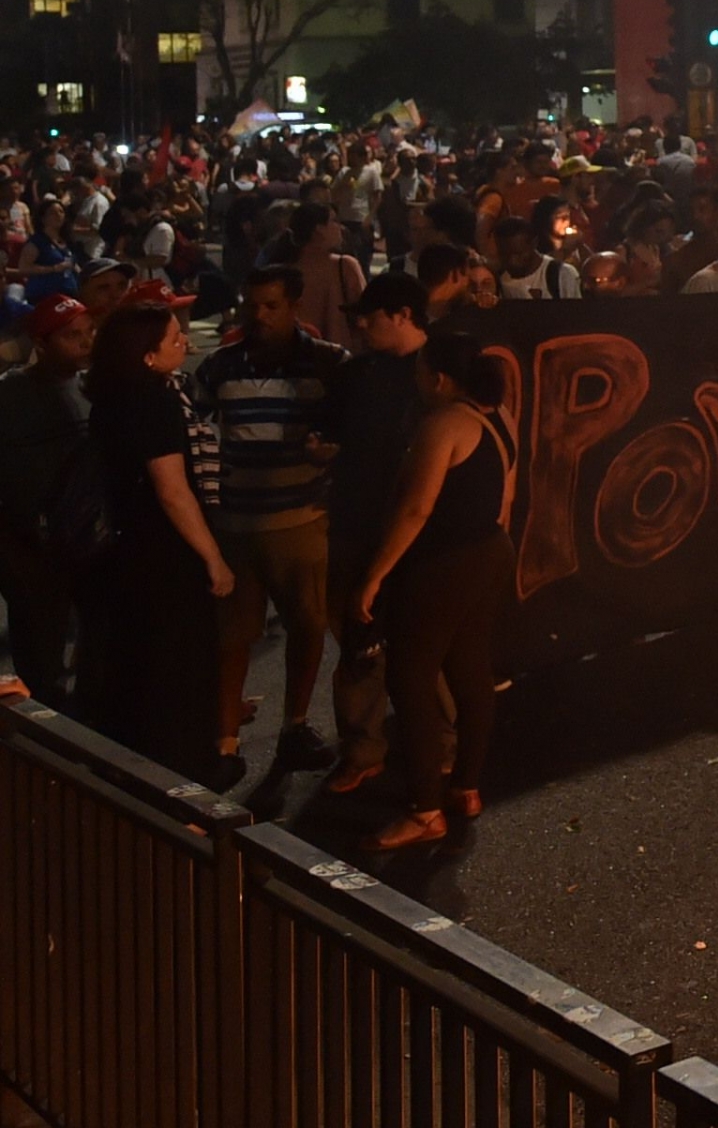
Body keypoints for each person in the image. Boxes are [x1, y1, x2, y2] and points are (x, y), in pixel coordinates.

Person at [352, 329, 515, 851]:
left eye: (421, 370)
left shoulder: (443, 423)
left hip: (443, 564)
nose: (417, 379)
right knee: (470, 670)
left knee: (411, 679)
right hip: (489, 550)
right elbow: (505, 494)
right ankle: (465, 786)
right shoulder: (498, 419)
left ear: (440, 379)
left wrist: (375, 574)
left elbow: (416, 509)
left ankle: (424, 810)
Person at [194, 265, 346, 779]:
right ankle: (225, 741)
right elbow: (196, 424)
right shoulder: (219, 366)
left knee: (308, 626)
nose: (258, 316)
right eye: (251, 305)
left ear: (295, 305)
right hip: (235, 522)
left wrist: (329, 452)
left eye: (271, 306)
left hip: (301, 520)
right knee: (232, 635)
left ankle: (295, 726)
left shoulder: (328, 365)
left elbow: (351, 431)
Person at [78, 302, 229, 781]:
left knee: (135, 665)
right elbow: (173, 490)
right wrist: (213, 558)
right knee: (177, 668)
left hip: (125, 550)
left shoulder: (109, 397)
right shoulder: (155, 401)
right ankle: (184, 775)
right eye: (173, 338)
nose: (184, 340)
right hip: (164, 555)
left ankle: (136, 771)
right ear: (146, 355)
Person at [308, 273, 432, 795]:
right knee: (359, 638)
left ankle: (438, 748)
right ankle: (363, 749)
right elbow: (327, 434)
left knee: (427, 640)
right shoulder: (355, 375)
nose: (360, 324)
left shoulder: (441, 371)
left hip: (423, 529)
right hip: (358, 521)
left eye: (371, 315)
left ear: (403, 314)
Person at [0, 296, 96, 706]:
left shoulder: (91, 387)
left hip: (84, 538)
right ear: (41, 342)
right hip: (29, 547)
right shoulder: (10, 395)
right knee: (40, 653)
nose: (85, 343)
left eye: (87, 332)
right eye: (71, 335)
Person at [286, 201, 367, 349]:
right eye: (334, 221)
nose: (340, 227)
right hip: (341, 357)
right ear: (319, 230)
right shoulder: (345, 266)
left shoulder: (285, 270)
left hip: (297, 354)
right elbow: (366, 313)